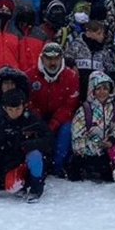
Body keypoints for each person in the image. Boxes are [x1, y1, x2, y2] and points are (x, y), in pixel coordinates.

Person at [0, 88, 52, 203]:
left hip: (35, 159)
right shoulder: (3, 127)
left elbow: (48, 139)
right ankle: (23, 185)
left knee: (35, 155)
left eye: (18, 109)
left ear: (24, 106)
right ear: (4, 108)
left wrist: (29, 145)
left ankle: (36, 187)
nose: (14, 112)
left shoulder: (33, 120)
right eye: (10, 109)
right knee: (11, 185)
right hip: (14, 163)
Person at [26, 42, 81, 176]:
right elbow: (28, 101)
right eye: (49, 58)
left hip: (61, 116)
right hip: (37, 116)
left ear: (61, 59)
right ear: (42, 58)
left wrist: (54, 123)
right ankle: (38, 165)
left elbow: (70, 104)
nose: (52, 62)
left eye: (56, 58)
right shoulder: (30, 75)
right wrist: (39, 120)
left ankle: (58, 166)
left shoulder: (71, 76)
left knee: (66, 130)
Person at [68, 71, 115, 182]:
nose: (102, 92)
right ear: (92, 90)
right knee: (75, 174)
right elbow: (76, 136)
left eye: (105, 88)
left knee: (108, 177)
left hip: (106, 151)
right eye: (98, 88)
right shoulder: (84, 110)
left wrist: (111, 141)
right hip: (86, 152)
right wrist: (93, 147)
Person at [64, 19, 115, 99]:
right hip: (78, 87)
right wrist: (73, 66)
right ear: (88, 33)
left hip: (97, 91)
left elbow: (110, 69)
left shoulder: (103, 50)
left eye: (102, 34)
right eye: (98, 33)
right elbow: (66, 58)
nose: (102, 36)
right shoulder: (76, 45)